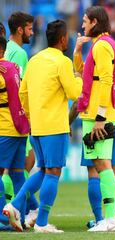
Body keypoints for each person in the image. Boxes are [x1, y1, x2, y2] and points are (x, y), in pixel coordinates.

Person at [3, 20, 82, 233]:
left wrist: (30, 116)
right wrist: (80, 78)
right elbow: (74, 93)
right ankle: (42, 222)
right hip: (55, 126)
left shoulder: (35, 59)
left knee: (44, 169)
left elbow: (23, 93)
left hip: (36, 127)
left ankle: (14, 206)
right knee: (53, 171)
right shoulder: (63, 62)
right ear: (64, 39)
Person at [77, 6, 115, 232]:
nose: (82, 25)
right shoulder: (104, 43)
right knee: (102, 164)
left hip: (98, 114)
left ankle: (110, 219)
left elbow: (105, 81)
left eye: (85, 21)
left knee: (103, 165)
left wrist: (101, 116)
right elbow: (85, 74)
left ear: (94, 22)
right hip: (97, 112)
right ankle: (109, 218)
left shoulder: (102, 46)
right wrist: (77, 51)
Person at [2, 11, 38, 228]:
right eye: (30, 28)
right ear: (19, 29)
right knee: (20, 168)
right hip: (16, 120)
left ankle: (25, 209)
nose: (32, 33)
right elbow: (19, 91)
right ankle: (25, 209)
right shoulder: (19, 54)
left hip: (11, 120)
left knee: (19, 168)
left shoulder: (12, 51)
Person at [0, 36, 30, 229]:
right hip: (19, 127)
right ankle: (22, 218)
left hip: (4, 127)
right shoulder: (14, 68)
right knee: (18, 175)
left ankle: (3, 219)